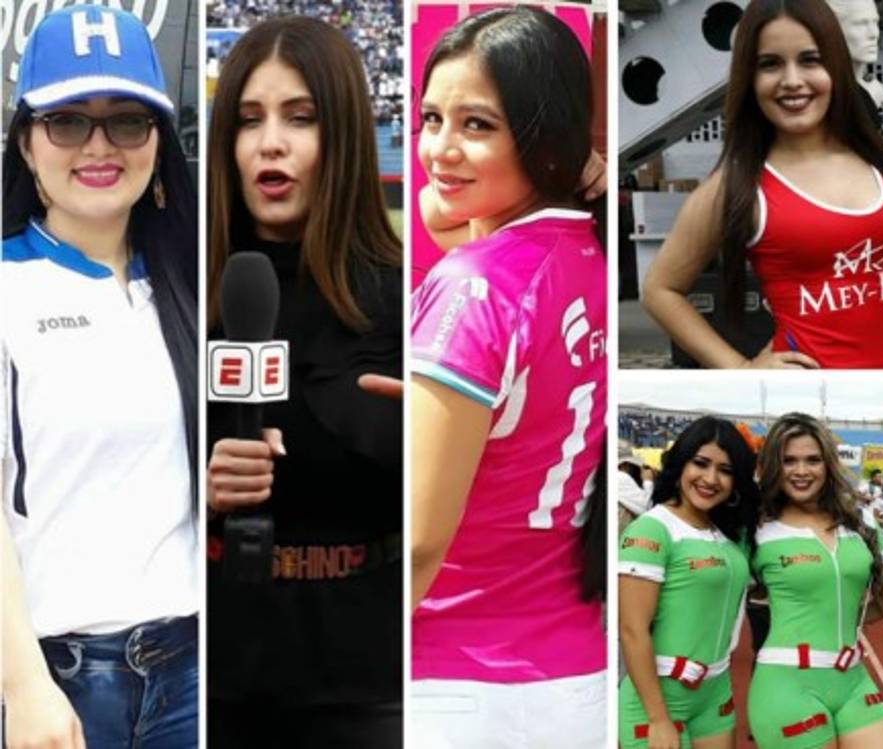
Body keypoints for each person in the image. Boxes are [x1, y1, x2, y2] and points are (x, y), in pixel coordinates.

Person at [409, 8, 608, 748]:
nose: (439, 149)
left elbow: (421, 545)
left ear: (543, 132)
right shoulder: (589, 253)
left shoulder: (474, 287)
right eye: (431, 117)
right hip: (570, 675)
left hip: (457, 677)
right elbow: (440, 199)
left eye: (478, 125)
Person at [1, 6, 198, 748]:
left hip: (190, 669)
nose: (98, 146)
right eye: (68, 122)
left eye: (125, 121)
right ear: (26, 140)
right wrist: (23, 686)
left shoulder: (187, 283)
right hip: (61, 681)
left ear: (157, 137)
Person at [204, 16, 403, 746]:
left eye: (301, 117)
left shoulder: (409, 298)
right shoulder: (187, 292)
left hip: (370, 679)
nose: (271, 142)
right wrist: (203, 489)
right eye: (249, 119)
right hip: (212, 675)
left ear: (343, 136)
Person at [640, 0, 883, 370]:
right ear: (749, 77)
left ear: (834, 64)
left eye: (810, 59)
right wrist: (739, 369)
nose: (791, 81)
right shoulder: (738, 185)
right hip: (803, 397)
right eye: (770, 64)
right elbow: (660, 290)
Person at [748, 413, 883, 749]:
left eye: (813, 460)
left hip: (852, 678)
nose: (801, 471)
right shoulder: (755, 527)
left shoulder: (860, 521)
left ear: (828, 464)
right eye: (788, 461)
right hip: (787, 683)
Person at [619, 417, 760, 749]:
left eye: (725, 470)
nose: (710, 479)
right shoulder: (652, 529)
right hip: (659, 699)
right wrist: (658, 718)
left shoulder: (728, 534)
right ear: (681, 463)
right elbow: (631, 629)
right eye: (700, 463)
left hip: (716, 693)